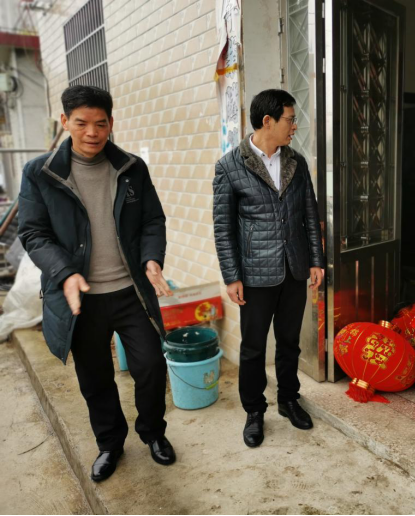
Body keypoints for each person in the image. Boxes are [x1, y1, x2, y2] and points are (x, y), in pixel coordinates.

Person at [18, 85, 175, 482]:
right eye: (82, 123)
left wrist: (152, 259)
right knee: (95, 378)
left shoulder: (132, 167)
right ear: (64, 121)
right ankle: (110, 444)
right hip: (80, 298)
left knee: (151, 366)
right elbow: (34, 233)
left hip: (130, 291)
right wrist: (66, 272)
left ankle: (153, 432)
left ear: (111, 123)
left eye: (101, 124)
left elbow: (152, 220)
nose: (92, 132)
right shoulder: (39, 173)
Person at [213, 89, 325, 448]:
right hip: (255, 274)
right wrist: (232, 276)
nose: (295, 126)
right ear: (268, 121)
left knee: (290, 342)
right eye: (290, 119)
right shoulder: (230, 166)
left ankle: (289, 399)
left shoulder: (297, 162)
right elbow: (223, 228)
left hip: (294, 268)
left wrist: (316, 260)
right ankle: (254, 410)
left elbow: (310, 215)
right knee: (253, 347)